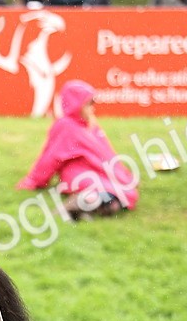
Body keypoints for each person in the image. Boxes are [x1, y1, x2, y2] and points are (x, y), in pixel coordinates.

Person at [16, 80, 139, 219]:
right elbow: (50, 157)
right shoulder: (65, 126)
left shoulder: (91, 126)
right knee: (106, 191)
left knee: (123, 196)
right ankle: (81, 205)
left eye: (92, 104)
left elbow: (108, 154)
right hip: (79, 174)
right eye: (88, 104)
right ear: (76, 104)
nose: (92, 109)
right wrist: (34, 180)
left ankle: (86, 208)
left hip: (99, 172)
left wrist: (123, 174)